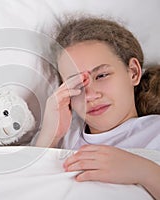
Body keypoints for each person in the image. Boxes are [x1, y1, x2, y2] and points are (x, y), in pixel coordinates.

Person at [35, 16, 160, 199]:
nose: (90, 96)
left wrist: (143, 171)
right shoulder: (64, 139)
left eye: (101, 75)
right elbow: (29, 186)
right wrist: (50, 135)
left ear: (133, 72)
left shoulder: (155, 131)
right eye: (76, 84)